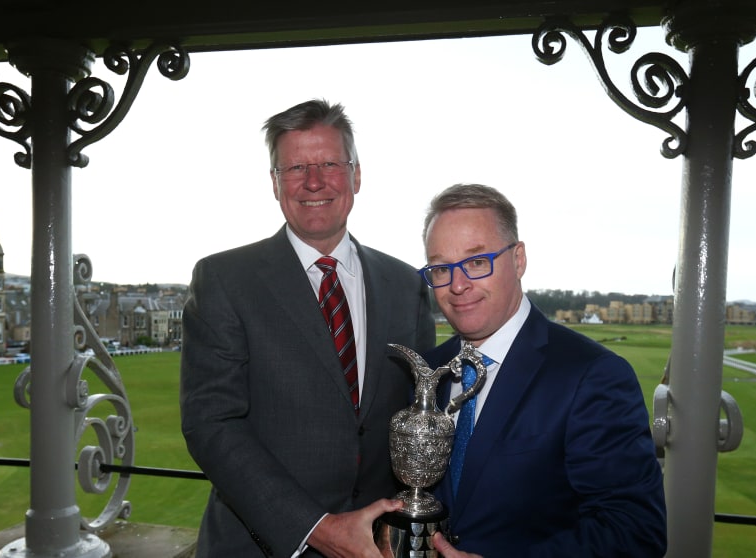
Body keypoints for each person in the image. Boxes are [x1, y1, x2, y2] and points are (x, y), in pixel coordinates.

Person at [180, 99, 436, 557]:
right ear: (275, 184)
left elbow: (417, 413)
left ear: (356, 175)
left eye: (329, 164)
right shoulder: (224, 279)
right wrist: (315, 528)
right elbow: (211, 423)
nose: (313, 181)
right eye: (295, 167)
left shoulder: (405, 285)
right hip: (258, 545)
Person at [419, 183, 667, 557]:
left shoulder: (592, 375)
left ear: (518, 260)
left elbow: (634, 532)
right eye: (441, 268)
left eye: (476, 262)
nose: (457, 285)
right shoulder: (429, 370)